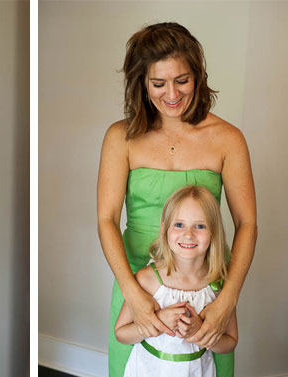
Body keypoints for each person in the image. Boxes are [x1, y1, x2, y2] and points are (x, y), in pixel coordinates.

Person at [97, 22, 256, 376]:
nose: (172, 93)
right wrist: (133, 295)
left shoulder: (228, 139)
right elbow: (106, 220)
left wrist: (227, 298)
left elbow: (248, 224)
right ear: (142, 84)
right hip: (138, 280)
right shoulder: (119, 137)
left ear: (197, 77)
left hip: (207, 282)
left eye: (182, 80)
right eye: (158, 83)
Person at [115, 186, 238, 376]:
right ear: (165, 229)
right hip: (149, 370)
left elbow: (230, 342)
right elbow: (121, 333)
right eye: (179, 225)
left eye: (200, 226)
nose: (188, 234)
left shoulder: (218, 285)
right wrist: (156, 322)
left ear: (214, 232)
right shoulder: (148, 280)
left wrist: (200, 333)